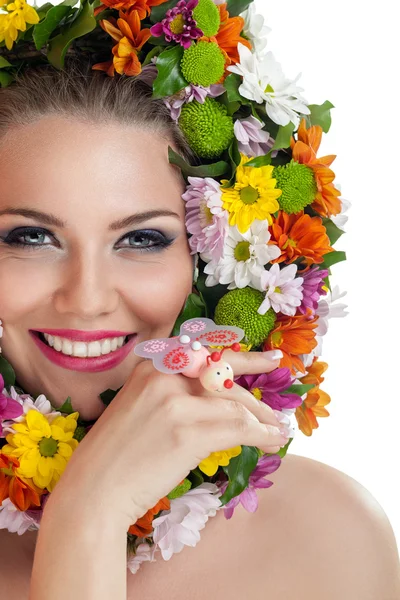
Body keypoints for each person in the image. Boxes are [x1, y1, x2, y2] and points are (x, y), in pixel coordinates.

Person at [0, 47, 399, 600]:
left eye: (142, 239)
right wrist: (87, 517)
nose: (86, 300)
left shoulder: (324, 535)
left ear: (222, 268)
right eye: (29, 238)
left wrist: (90, 510)